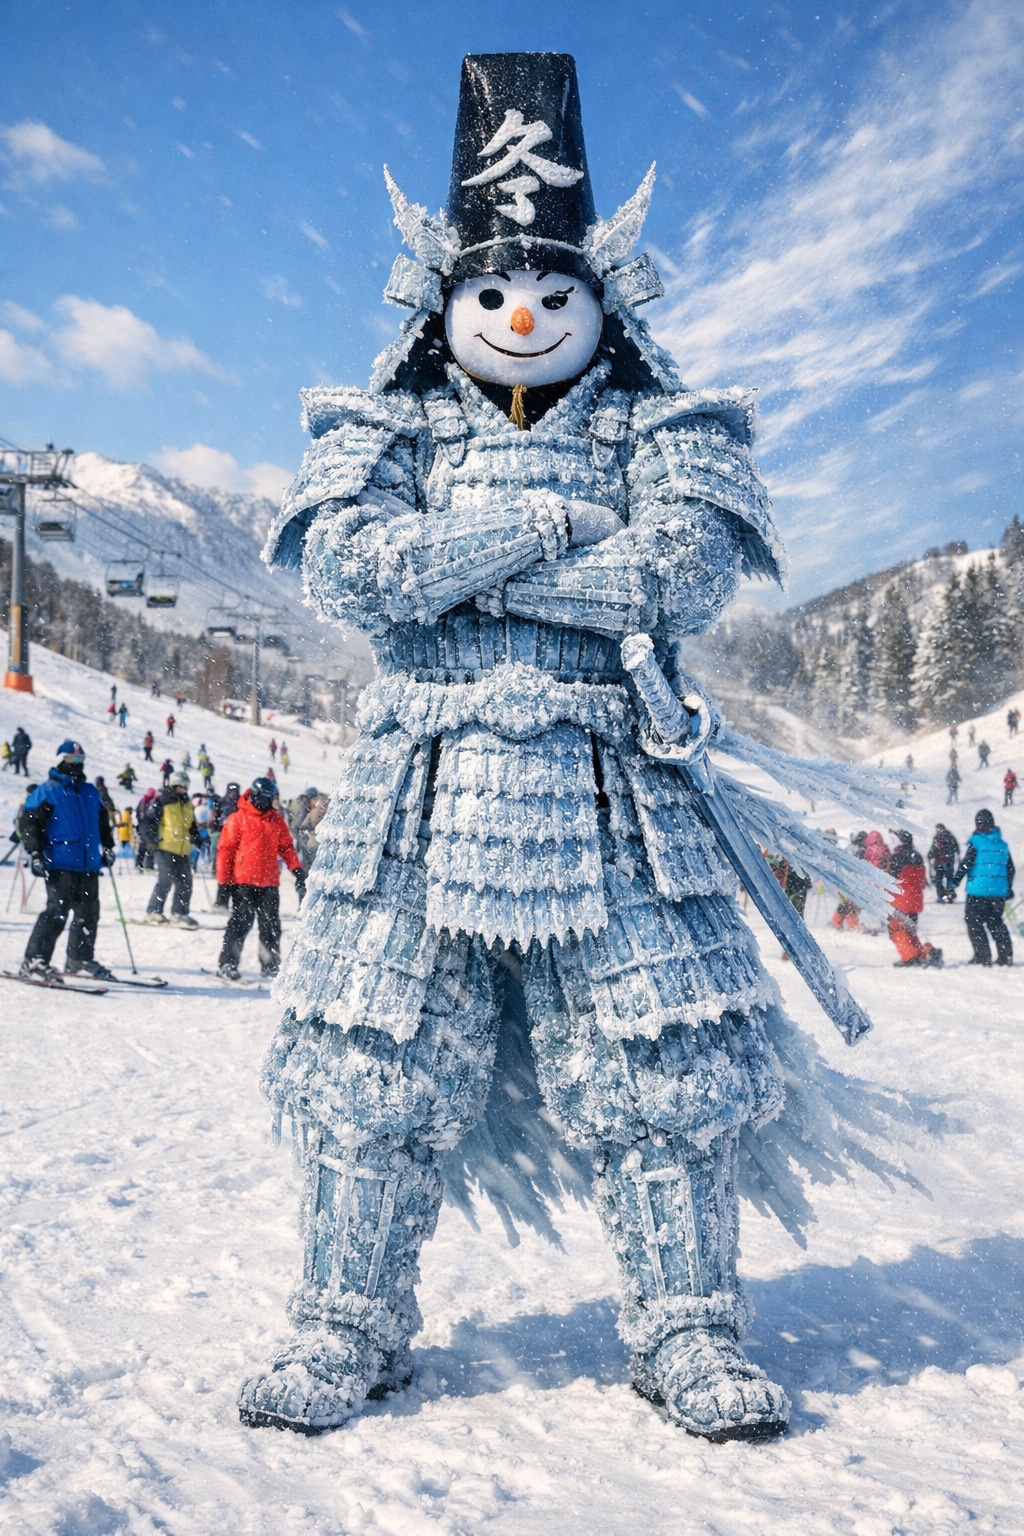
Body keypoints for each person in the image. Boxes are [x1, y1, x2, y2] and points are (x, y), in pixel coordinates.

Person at [238, 52, 886, 1443]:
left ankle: (690, 1329)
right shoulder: (380, 427)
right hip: (419, 793)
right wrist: (547, 532)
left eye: (551, 292)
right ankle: (342, 1322)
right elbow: (354, 574)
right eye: (490, 292)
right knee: (374, 1066)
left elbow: (678, 578)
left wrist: (457, 569)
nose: (522, 312)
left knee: (665, 1069)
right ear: (443, 304)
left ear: (608, 302)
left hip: (618, 795)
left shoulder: (670, 427)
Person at [17, 739, 117, 982]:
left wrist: (109, 847)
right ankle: (34, 961)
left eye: (80, 760)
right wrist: (35, 853)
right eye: (71, 760)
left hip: (89, 863)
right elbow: (29, 823)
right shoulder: (48, 790)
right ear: (60, 761)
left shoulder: (90, 792)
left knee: (88, 913)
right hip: (59, 862)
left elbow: (102, 822)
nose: (76, 765)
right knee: (57, 912)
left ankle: (78, 959)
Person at [215, 776, 304, 980]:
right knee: (241, 923)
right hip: (243, 881)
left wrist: (296, 869)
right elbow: (225, 852)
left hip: (269, 882)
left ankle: (270, 965)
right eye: (263, 798)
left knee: (271, 926)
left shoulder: (276, 819)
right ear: (253, 795)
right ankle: (227, 963)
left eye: (270, 799)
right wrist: (223, 884)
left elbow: (286, 847)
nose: (267, 803)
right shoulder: (238, 819)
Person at [953, 809, 1014, 965]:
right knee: (995, 922)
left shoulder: (976, 842)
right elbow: (1010, 869)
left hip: (978, 892)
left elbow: (966, 863)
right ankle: (1005, 956)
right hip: (997, 893)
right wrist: (1007, 888)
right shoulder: (1002, 845)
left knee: (974, 922)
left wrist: (954, 881)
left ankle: (982, 956)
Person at [142, 772, 201, 927]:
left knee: (185, 882)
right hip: (165, 847)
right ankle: (154, 911)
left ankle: (179, 913)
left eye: (187, 786)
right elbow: (147, 821)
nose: (185, 789)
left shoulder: (186, 803)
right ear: (174, 785)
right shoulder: (162, 801)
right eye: (183, 785)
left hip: (182, 849)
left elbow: (191, 824)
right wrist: (151, 838)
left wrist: (196, 836)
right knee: (165, 880)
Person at [886, 830, 942, 968]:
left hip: (900, 901)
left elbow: (890, 880)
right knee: (910, 931)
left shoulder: (896, 858)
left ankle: (909, 956)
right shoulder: (917, 856)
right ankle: (922, 953)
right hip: (914, 901)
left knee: (897, 930)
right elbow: (922, 881)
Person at [214, 782, 242, 908]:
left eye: (235, 791)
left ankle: (236, 903)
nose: (233, 793)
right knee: (225, 872)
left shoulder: (241, 803)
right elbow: (216, 817)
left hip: (239, 841)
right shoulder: (222, 802)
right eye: (231, 791)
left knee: (237, 873)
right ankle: (221, 902)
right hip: (225, 838)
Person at [927, 823, 960, 903]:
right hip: (949, 861)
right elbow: (956, 848)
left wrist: (930, 855)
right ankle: (950, 894)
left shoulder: (937, 838)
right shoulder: (950, 837)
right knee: (949, 878)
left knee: (939, 880)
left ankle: (942, 895)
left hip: (940, 862)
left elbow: (934, 849)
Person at [135, 786, 158, 871]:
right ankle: (148, 866)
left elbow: (137, 814)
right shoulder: (153, 802)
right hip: (150, 829)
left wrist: (139, 825)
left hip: (142, 828)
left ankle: (139, 863)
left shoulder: (142, 801)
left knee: (142, 847)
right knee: (150, 847)